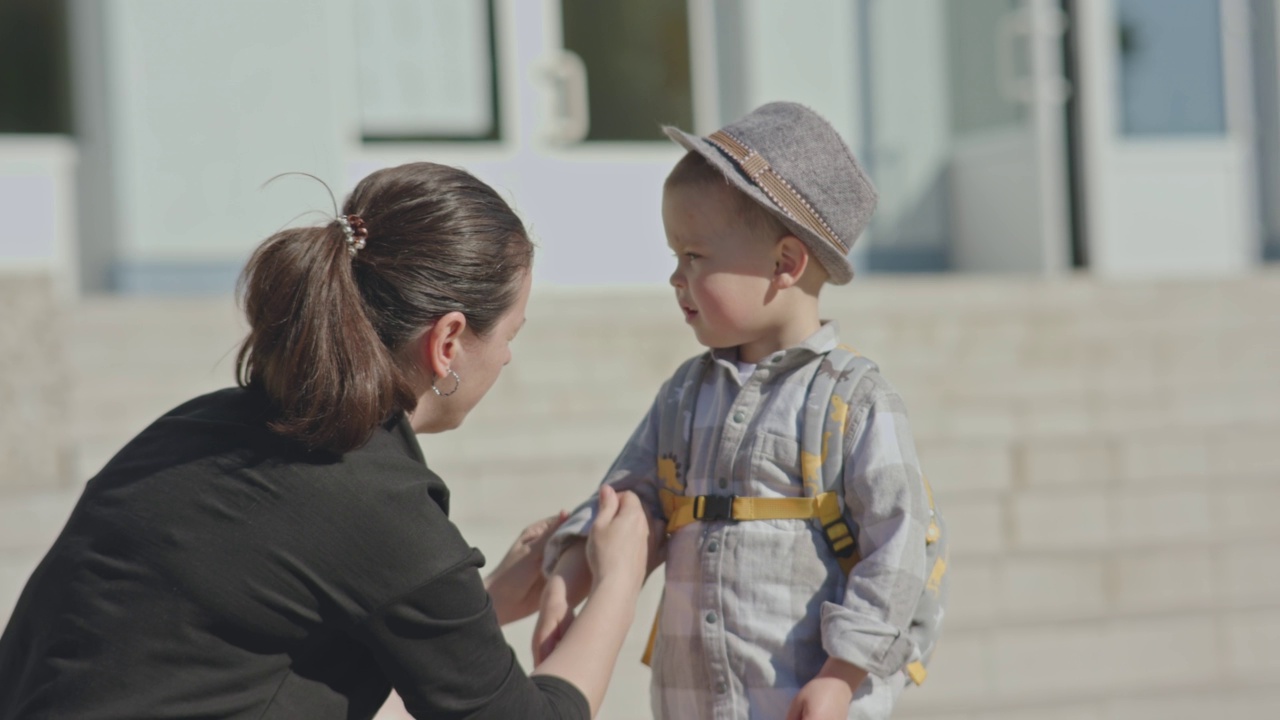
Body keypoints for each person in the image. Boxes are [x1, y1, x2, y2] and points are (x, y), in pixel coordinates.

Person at [0, 162, 652, 720]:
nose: (507, 358)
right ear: (448, 341)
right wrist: (621, 577)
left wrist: (477, 606)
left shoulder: (202, 427)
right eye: (512, 333)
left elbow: (233, 643)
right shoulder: (374, 502)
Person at [534, 103, 948, 720]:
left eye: (694, 256)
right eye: (675, 256)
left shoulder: (853, 402)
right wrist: (566, 582)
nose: (676, 277)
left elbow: (899, 551)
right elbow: (625, 500)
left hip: (802, 701)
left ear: (785, 264)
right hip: (692, 700)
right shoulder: (685, 393)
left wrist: (840, 676)